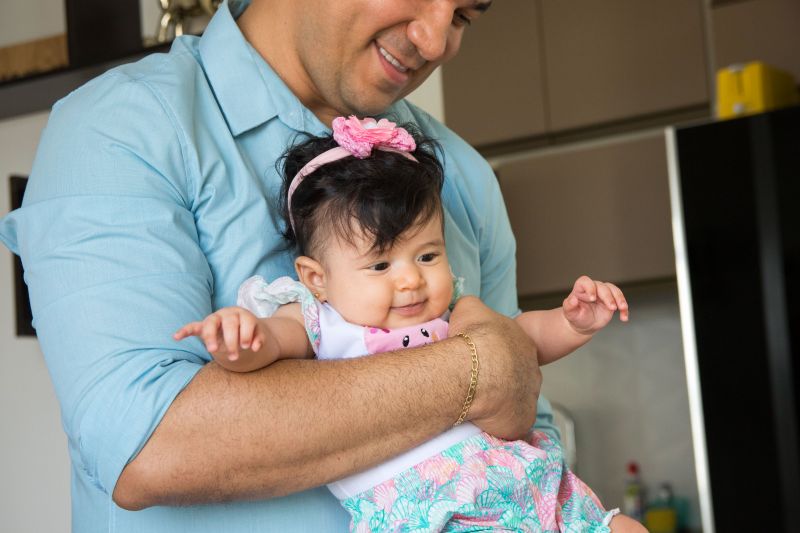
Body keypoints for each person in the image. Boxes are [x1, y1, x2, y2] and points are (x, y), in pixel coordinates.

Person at [0, 0, 645, 531]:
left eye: (464, 16)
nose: (434, 40)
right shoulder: (122, 130)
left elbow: (521, 421)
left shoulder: (463, 177)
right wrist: (478, 369)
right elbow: (148, 446)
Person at [174, 116, 630, 532]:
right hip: (429, 512)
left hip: (526, 484)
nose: (411, 280)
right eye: (380, 266)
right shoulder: (319, 321)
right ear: (317, 279)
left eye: (427, 256)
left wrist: (572, 323)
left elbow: (522, 342)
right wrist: (240, 338)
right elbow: (270, 343)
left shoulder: (455, 311)